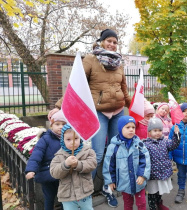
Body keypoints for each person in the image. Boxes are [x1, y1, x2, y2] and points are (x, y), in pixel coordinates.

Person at [47, 29, 131, 207]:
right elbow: (76, 85)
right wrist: (58, 106)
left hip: (117, 112)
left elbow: (124, 88)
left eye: (115, 42)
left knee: (115, 152)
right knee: (96, 154)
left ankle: (109, 189)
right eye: (109, 41)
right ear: (101, 41)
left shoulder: (119, 62)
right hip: (98, 112)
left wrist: (135, 106)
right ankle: (86, 192)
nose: (112, 44)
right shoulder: (91, 59)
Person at [102, 116, 151, 210]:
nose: (131, 130)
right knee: (127, 204)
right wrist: (110, 181)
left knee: (142, 203)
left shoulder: (138, 144)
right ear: (121, 128)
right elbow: (108, 165)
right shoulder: (113, 147)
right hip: (124, 182)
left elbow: (145, 160)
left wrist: (143, 175)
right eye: (127, 127)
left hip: (138, 181)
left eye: (133, 127)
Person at [25, 110, 66, 210]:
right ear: (51, 126)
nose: (60, 126)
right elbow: (36, 155)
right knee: (49, 197)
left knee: (65, 197)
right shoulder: (45, 139)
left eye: (64, 124)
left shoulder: (68, 138)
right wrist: (31, 169)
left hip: (63, 173)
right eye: (57, 124)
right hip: (47, 174)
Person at [50, 124, 97, 210]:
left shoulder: (88, 151)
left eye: (76, 138)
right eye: (68, 139)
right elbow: (54, 172)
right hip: (67, 195)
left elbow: (92, 164)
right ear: (62, 140)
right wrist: (65, 164)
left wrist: (78, 164)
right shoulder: (58, 156)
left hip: (84, 193)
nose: (73, 142)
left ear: (80, 138)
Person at [144, 118, 181, 210]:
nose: (158, 133)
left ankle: (159, 203)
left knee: (159, 191)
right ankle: (153, 207)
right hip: (152, 174)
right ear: (149, 132)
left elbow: (173, 145)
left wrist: (176, 135)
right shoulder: (146, 144)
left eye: (160, 130)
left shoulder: (165, 141)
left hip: (162, 172)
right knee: (152, 192)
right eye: (155, 130)